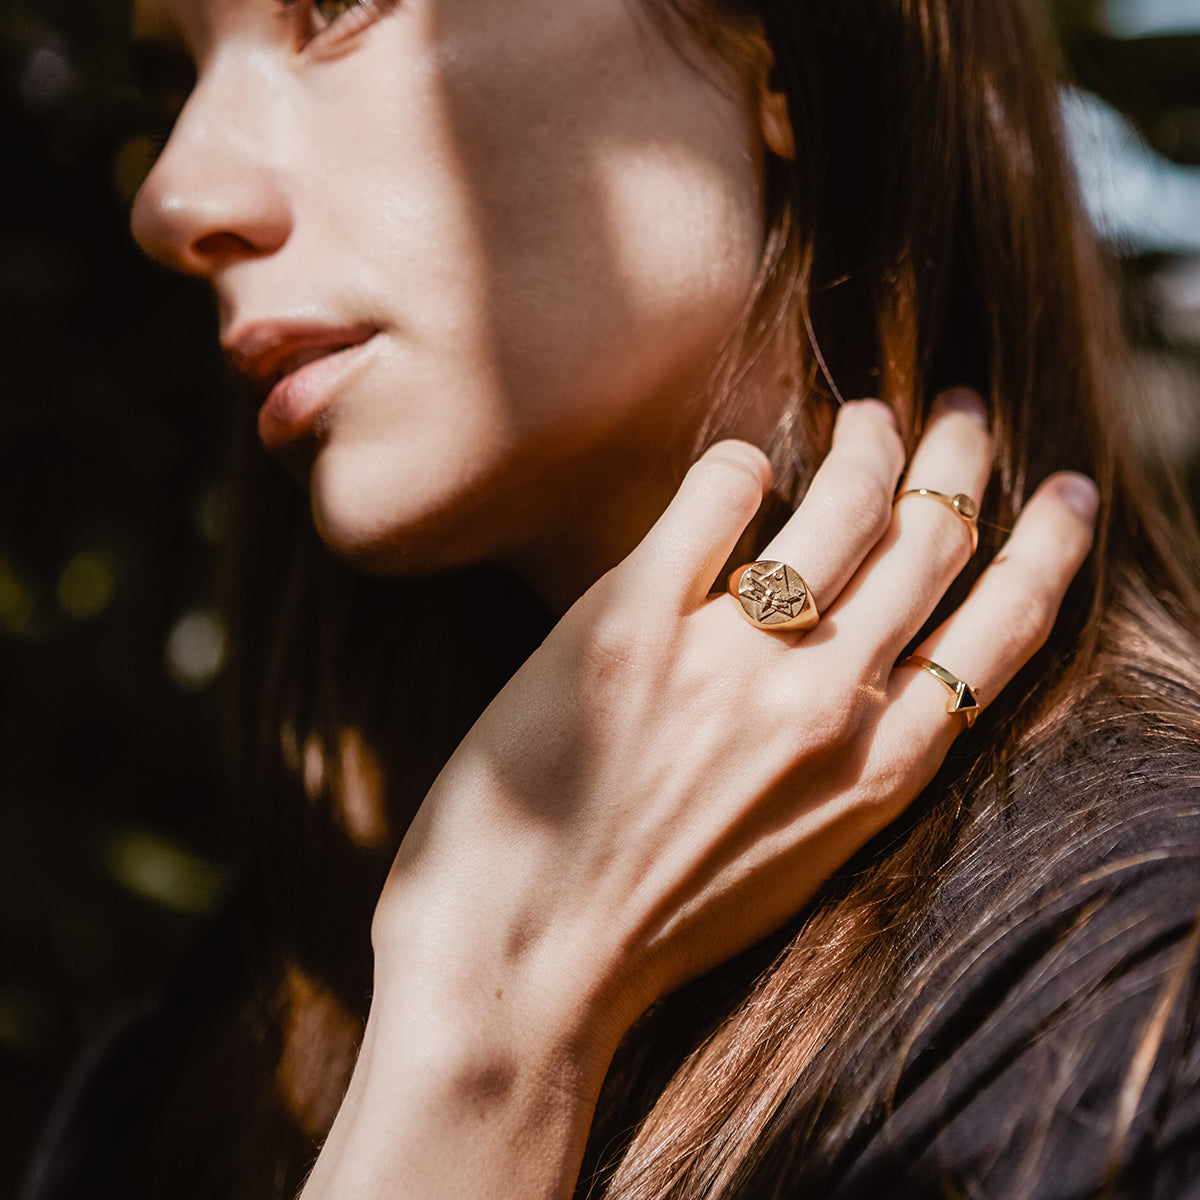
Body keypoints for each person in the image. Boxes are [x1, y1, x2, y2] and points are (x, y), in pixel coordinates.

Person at [23, 0, 1200, 1197]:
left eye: (335, 11)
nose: (172, 199)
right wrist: (479, 1041)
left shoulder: (1140, 1018)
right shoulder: (221, 1040)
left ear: (780, 49)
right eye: (172, 77)